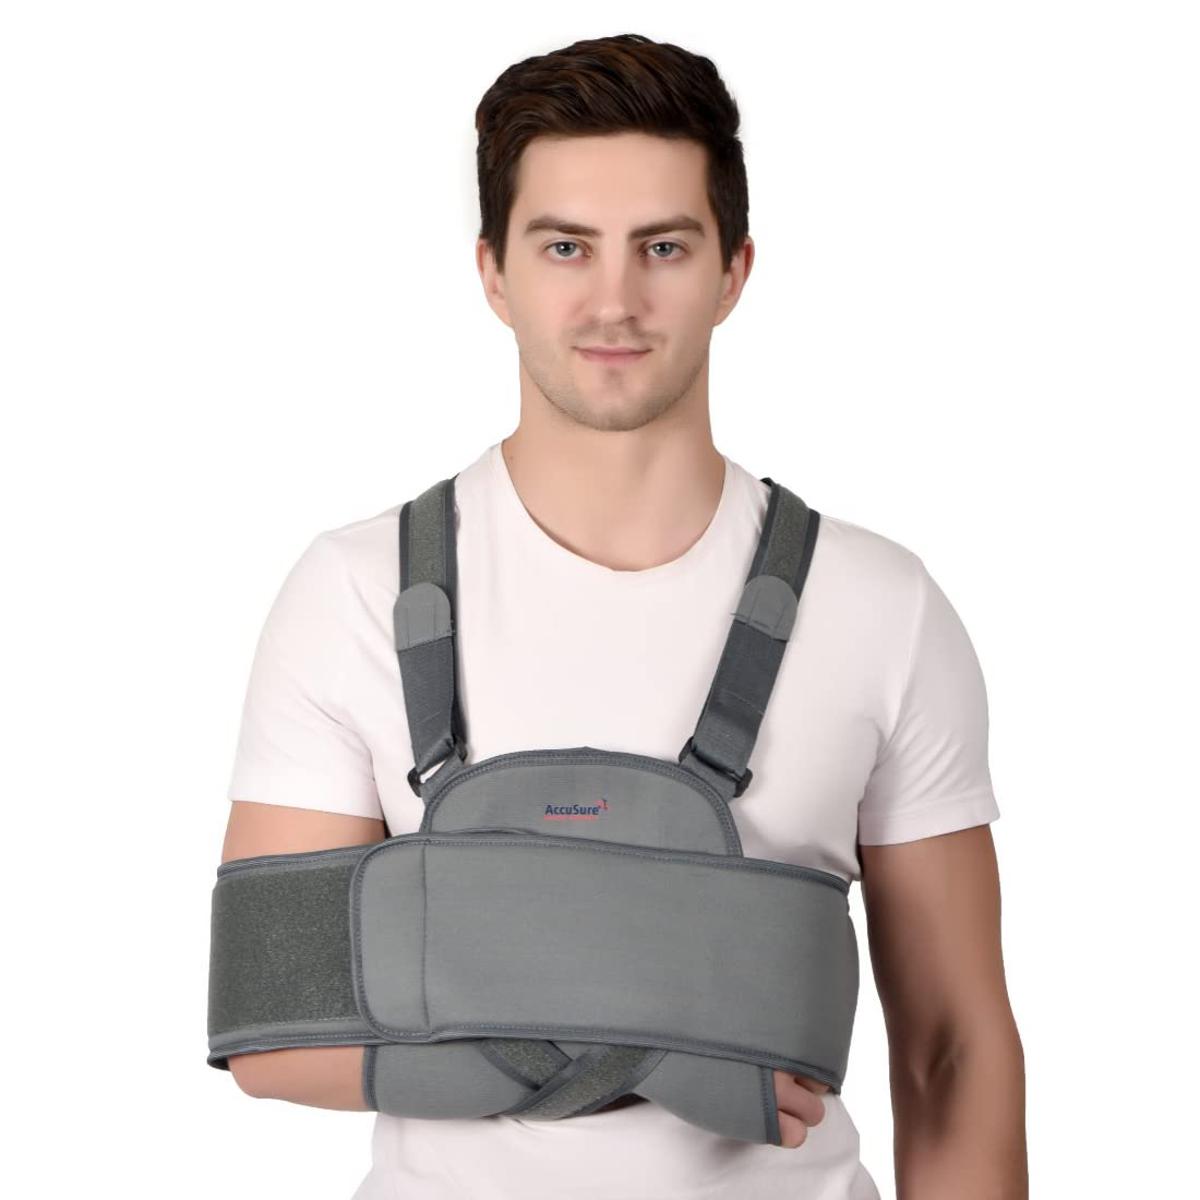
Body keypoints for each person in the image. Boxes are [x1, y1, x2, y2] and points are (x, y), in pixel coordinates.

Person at [216, 32, 1028, 1200]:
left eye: (663, 247)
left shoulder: (881, 608)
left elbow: (955, 1050)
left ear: (733, 271)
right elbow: (271, 1029)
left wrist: (510, 1007)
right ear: (493, 273)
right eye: (566, 247)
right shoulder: (352, 591)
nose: (614, 300)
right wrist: (661, 1048)